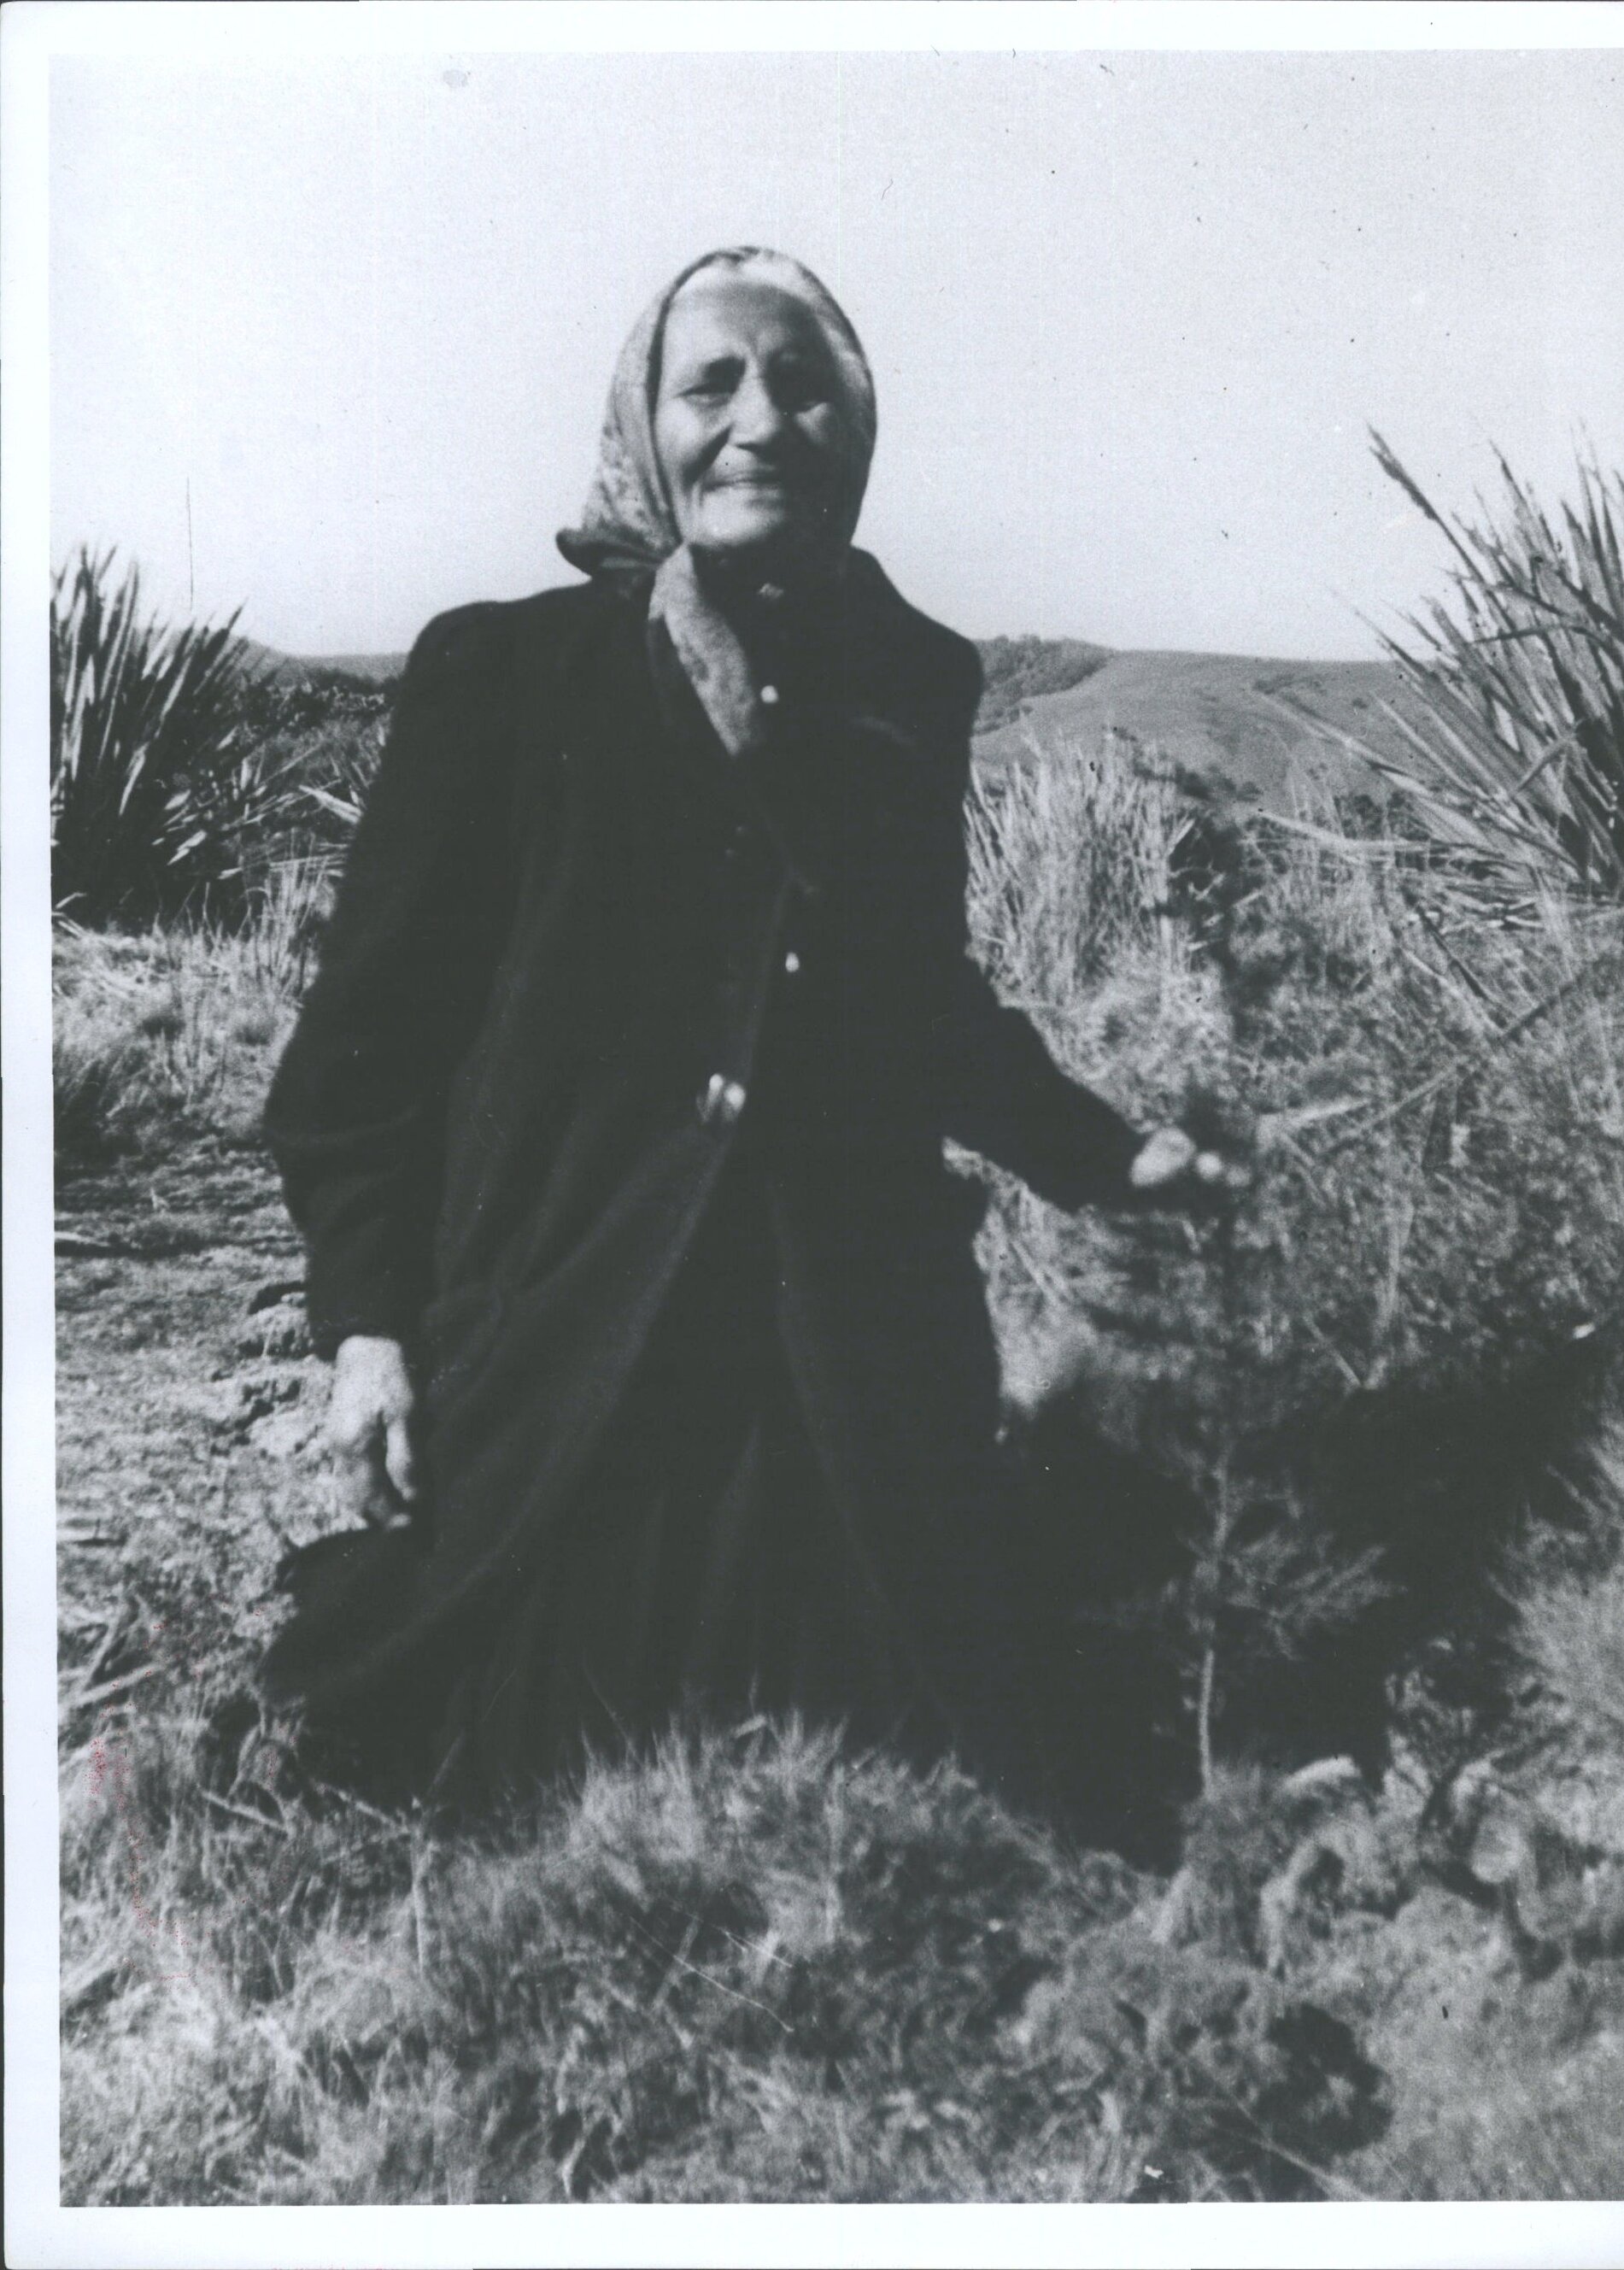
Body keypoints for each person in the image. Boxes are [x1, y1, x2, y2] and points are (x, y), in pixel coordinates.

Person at [261, 246, 1220, 1807]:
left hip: (843, 1340)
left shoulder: (907, 685)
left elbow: (916, 1003)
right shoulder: (502, 678)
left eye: (803, 383)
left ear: (858, 433)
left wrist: (1112, 1158)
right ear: (646, 431)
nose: (761, 419)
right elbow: (364, 1057)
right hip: (575, 1317)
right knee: (528, 1751)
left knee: (942, 1742)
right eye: (711, 383)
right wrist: (369, 1333)